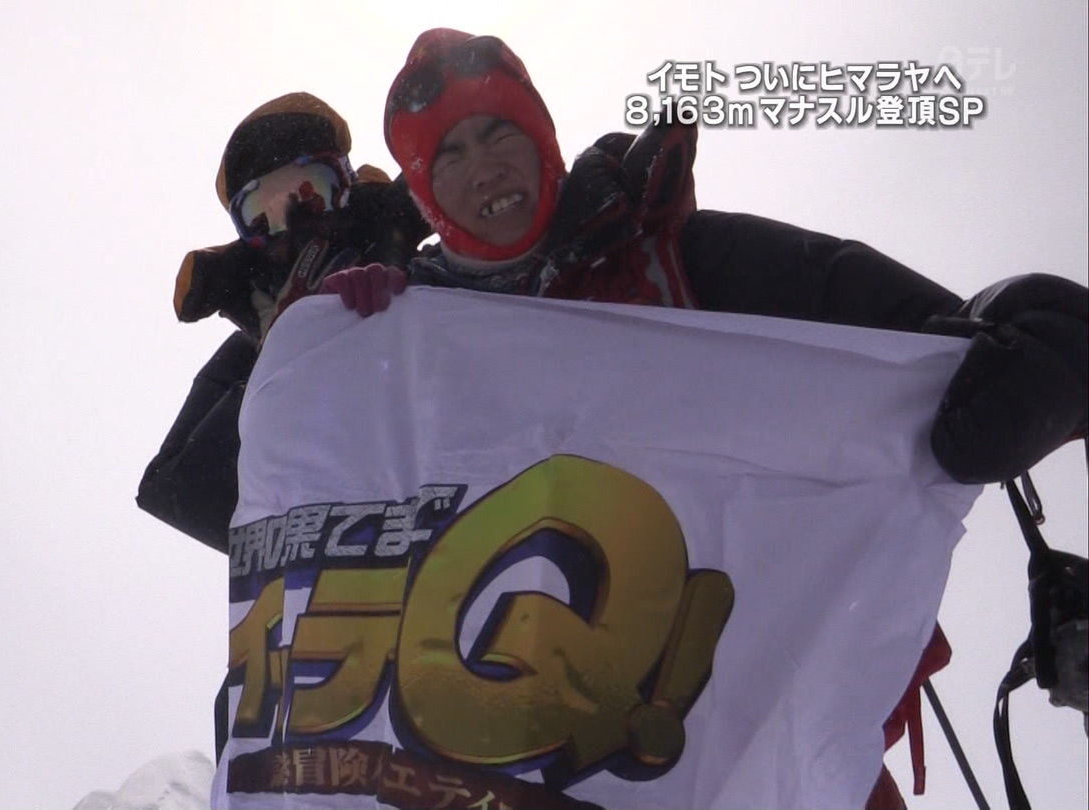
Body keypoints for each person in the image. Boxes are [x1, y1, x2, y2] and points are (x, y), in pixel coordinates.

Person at [306, 27, 1085, 808]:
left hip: (769, 733)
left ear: (541, 137)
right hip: (524, 757)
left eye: (498, 131)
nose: (484, 166)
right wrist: (328, 349)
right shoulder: (410, 353)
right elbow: (296, 521)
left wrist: (1044, 332)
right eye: (449, 153)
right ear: (423, 191)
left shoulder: (682, 261)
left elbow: (935, 334)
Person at [137, 92, 428, 553]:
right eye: (264, 211)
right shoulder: (249, 354)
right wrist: (284, 354)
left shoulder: (429, 270)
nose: (294, 217)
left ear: (348, 186)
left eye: (312, 189)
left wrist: (397, 251)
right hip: (355, 561)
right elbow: (178, 491)